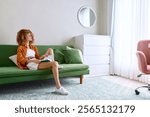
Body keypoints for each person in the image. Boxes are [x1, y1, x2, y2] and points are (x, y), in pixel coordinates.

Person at [16, 29, 68, 95]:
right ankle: (58, 87)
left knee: (50, 49)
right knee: (55, 63)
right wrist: (33, 60)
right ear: (23, 37)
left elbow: (38, 57)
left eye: (31, 35)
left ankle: (54, 65)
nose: (31, 36)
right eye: (29, 35)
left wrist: (43, 56)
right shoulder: (20, 48)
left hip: (37, 61)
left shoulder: (33, 47)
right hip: (31, 63)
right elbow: (21, 60)